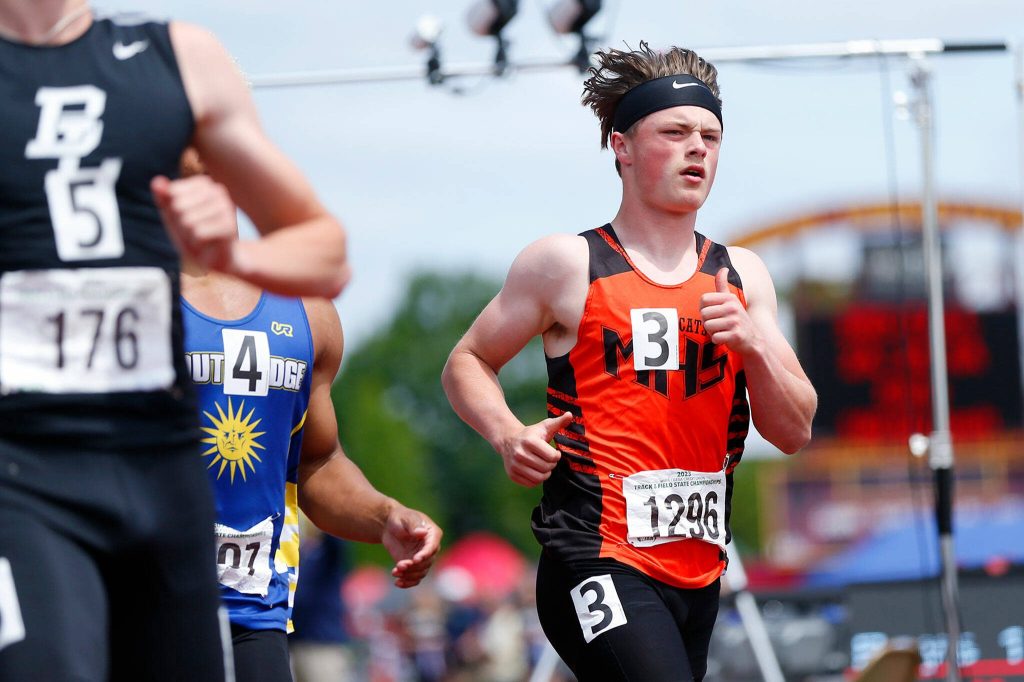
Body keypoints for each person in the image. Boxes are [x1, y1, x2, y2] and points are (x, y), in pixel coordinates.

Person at [441, 42, 817, 681]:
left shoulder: (741, 275)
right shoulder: (566, 264)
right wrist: (508, 435)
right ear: (622, 145)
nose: (697, 147)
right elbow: (467, 360)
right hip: (595, 554)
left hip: (698, 564)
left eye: (711, 135)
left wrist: (752, 345)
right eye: (674, 132)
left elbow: (794, 430)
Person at [0, 2, 348, 680]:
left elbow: (325, 252)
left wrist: (235, 253)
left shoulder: (180, 59)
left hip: (158, 473)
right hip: (28, 469)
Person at [180, 150, 442, 682]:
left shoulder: (306, 310)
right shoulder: (110, 295)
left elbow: (318, 461)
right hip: (133, 605)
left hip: (254, 611)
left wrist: (384, 514)